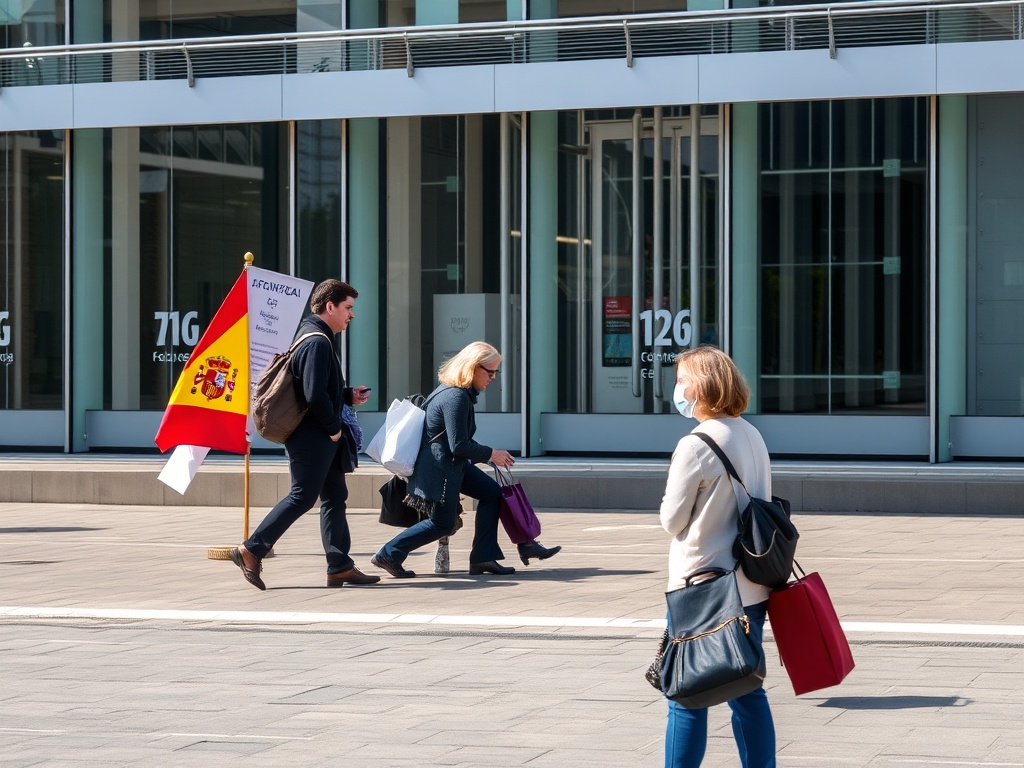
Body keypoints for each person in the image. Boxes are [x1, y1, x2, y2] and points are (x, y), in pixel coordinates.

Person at [659, 345, 776, 768]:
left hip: (703, 588)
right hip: (751, 583)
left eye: (682, 380)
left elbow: (672, 520)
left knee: (688, 695)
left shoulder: (696, 444)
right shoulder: (751, 433)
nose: (677, 389)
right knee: (747, 689)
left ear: (702, 386)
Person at [229, 279, 380, 590]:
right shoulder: (316, 342)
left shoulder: (313, 336)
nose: (351, 315)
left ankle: (339, 565)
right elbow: (313, 394)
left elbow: (316, 387)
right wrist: (335, 430)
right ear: (330, 307)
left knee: (335, 497)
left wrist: (347, 394)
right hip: (313, 435)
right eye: (348, 308)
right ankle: (251, 549)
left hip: (316, 433)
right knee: (302, 496)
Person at [371, 341, 560, 578]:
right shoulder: (455, 397)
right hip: (441, 469)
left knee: (492, 493)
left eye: (495, 372)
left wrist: (488, 456)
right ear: (471, 367)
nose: (493, 377)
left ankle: (483, 558)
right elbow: (458, 444)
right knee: (443, 523)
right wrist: (491, 454)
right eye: (489, 371)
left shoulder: (453, 392)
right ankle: (389, 553)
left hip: (451, 466)